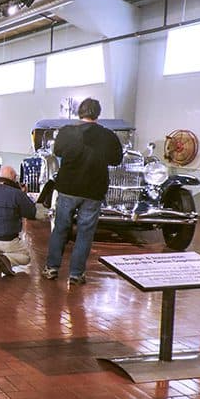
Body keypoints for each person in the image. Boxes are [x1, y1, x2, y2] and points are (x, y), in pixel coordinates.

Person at [43, 98, 123, 285]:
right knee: (85, 233)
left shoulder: (66, 132)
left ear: (80, 112)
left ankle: (52, 268)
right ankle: (76, 274)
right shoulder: (108, 136)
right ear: (98, 114)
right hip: (94, 190)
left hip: (68, 187)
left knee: (60, 228)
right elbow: (116, 160)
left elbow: (58, 152)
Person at [0, 166, 37, 276]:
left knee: (1, 246)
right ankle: (7, 260)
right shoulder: (17, 193)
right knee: (25, 257)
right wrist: (23, 194)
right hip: (6, 237)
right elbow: (31, 212)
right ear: (13, 177)